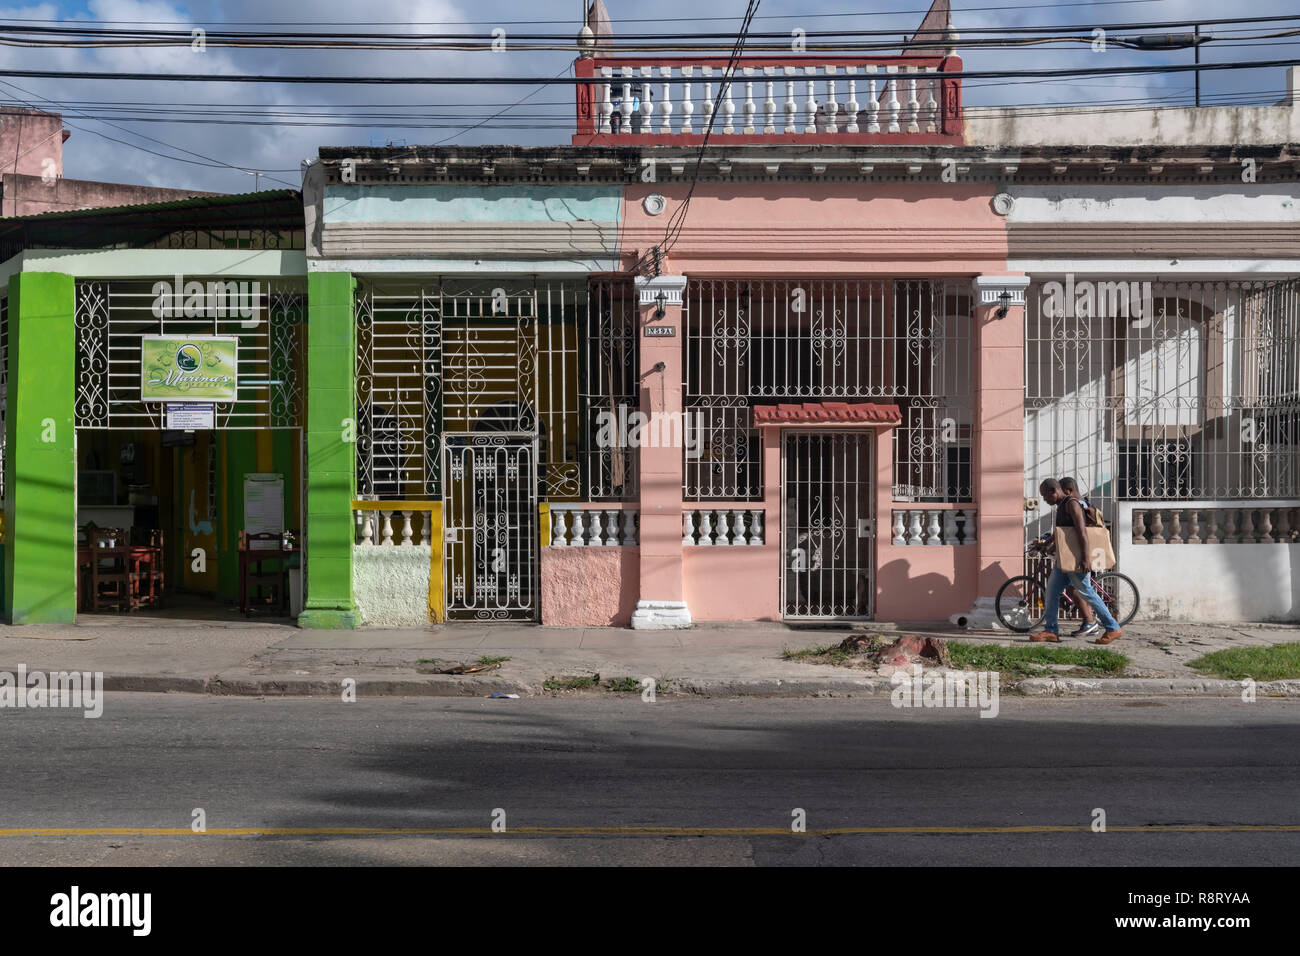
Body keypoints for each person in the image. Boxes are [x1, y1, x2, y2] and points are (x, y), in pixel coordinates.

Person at [1031, 478, 1122, 644]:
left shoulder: (1071, 503)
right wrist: (1048, 546)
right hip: (1064, 561)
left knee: (1087, 592)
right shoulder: (1062, 506)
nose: (1044, 499)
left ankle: (1112, 627)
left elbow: (1082, 532)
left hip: (1076, 560)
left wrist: (1086, 559)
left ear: (1054, 491)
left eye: (1045, 496)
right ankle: (1051, 631)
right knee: (1052, 592)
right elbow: (1062, 533)